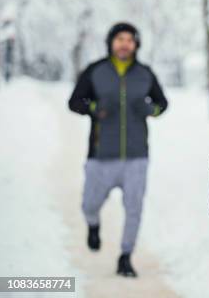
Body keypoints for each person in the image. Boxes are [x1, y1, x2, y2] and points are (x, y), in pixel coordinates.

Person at [68, 22, 168, 277]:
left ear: (136, 44)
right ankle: (93, 225)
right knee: (89, 205)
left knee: (134, 208)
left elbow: (162, 104)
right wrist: (94, 108)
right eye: (119, 39)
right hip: (101, 156)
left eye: (129, 39)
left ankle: (125, 256)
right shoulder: (96, 71)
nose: (124, 44)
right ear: (111, 42)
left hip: (137, 158)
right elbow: (75, 102)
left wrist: (150, 110)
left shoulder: (145, 73)